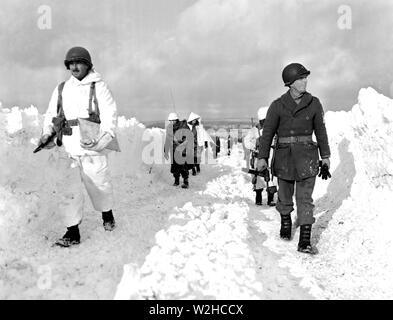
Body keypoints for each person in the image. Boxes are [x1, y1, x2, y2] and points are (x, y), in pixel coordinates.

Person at [38, 46, 119, 247]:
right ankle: (72, 232)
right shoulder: (62, 88)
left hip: (92, 145)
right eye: (71, 63)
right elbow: (51, 114)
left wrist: (106, 135)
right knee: (69, 190)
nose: (74, 67)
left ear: (87, 65)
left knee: (99, 184)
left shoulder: (99, 86)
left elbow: (110, 113)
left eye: (78, 63)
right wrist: (46, 133)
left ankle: (107, 214)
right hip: (68, 147)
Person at [257, 63, 331, 254]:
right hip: (284, 157)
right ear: (290, 83)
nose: (305, 81)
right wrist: (263, 157)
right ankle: (286, 222)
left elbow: (321, 132)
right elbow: (267, 134)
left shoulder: (314, 103)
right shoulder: (277, 106)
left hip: (307, 157)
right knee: (284, 196)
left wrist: (325, 157)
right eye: (301, 78)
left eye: (305, 78)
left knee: (305, 199)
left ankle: (305, 240)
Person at [244, 106, 277, 206]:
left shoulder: (274, 129)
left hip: (271, 156)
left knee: (271, 178)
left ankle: (270, 198)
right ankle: (258, 197)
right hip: (258, 156)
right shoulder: (254, 131)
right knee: (258, 178)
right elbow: (246, 142)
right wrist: (255, 144)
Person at [164, 113, 191, 188]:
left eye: (173, 120)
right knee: (175, 167)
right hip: (173, 150)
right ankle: (176, 180)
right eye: (170, 121)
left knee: (183, 166)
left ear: (176, 119)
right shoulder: (169, 128)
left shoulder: (183, 126)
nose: (172, 122)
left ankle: (186, 181)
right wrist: (165, 149)